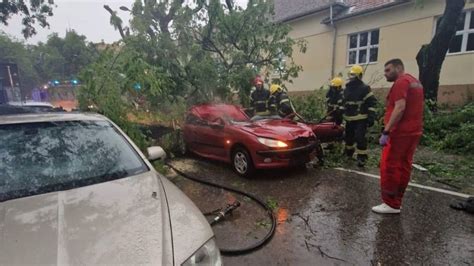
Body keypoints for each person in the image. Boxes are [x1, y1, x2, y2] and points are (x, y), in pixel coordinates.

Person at [372, 58, 424, 214]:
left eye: (388, 70)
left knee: (390, 165)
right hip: (413, 131)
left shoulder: (401, 82)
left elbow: (400, 107)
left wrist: (386, 131)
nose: (385, 74)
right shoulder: (415, 81)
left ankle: (391, 203)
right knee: (404, 165)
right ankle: (397, 200)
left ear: (397, 68)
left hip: (399, 133)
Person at [342, 65, 377, 167]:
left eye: (353, 75)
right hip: (349, 118)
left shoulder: (365, 88)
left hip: (361, 118)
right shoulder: (347, 88)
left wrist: (371, 117)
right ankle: (348, 153)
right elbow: (344, 102)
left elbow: (371, 102)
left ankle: (362, 157)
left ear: (359, 76)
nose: (352, 77)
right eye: (351, 75)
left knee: (359, 137)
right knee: (348, 137)